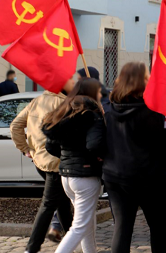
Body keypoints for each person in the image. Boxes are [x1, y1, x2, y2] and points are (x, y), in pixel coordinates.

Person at [103, 62, 166, 253]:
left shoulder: (109, 110)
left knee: (122, 228)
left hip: (116, 176)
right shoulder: (153, 111)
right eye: (147, 76)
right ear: (142, 81)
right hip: (149, 177)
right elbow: (164, 144)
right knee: (158, 227)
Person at [10, 77, 75, 253]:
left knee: (61, 202)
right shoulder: (65, 104)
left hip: (40, 161)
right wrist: (24, 147)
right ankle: (31, 248)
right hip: (56, 162)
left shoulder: (37, 101)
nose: (74, 82)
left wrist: (26, 149)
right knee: (48, 204)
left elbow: (15, 125)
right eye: (70, 80)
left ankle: (71, 238)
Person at [42, 78, 107, 253]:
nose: (101, 94)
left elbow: (50, 145)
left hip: (67, 176)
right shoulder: (91, 114)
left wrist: (67, 157)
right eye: (99, 91)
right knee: (79, 227)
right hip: (85, 176)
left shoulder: (64, 110)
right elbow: (95, 145)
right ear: (92, 92)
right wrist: (100, 157)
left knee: (86, 222)